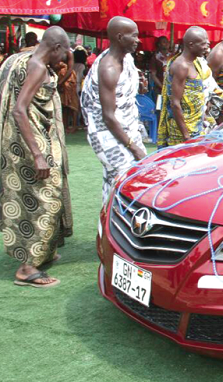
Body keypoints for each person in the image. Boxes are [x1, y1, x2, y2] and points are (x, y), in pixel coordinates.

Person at [0, 26, 73, 288]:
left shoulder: (21, 59)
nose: (63, 61)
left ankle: (42, 251)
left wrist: (69, 59)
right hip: (33, 143)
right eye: (63, 54)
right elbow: (20, 109)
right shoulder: (38, 67)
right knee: (47, 198)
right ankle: (27, 268)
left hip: (19, 142)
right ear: (54, 48)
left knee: (30, 197)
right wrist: (38, 155)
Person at [81, 17, 148, 204]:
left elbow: (125, 93)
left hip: (125, 129)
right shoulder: (108, 68)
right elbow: (108, 117)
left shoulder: (126, 59)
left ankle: (109, 226)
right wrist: (134, 148)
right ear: (120, 37)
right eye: (133, 36)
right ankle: (114, 225)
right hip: (106, 133)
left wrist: (139, 84)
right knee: (123, 181)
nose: (138, 40)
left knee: (117, 182)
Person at [158, 26, 223, 148]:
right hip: (183, 130)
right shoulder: (181, 66)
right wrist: (187, 136)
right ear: (191, 45)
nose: (207, 46)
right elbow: (175, 103)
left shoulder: (196, 63)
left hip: (196, 125)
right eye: (203, 43)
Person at [57, 51, 79, 133]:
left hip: (68, 79)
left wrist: (61, 82)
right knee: (64, 104)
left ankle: (74, 126)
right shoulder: (56, 51)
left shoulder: (69, 53)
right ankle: (65, 126)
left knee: (72, 104)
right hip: (60, 78)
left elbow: (70, 69)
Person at [149, 36, 172, 107]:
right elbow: (153, 75)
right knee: (159, 108)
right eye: (164, 42)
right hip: (159, 89)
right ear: (159, 44)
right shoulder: (155, 57)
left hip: (171, 89)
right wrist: (162, 86)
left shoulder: (173, 56)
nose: (167, 43)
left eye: (167, 41)